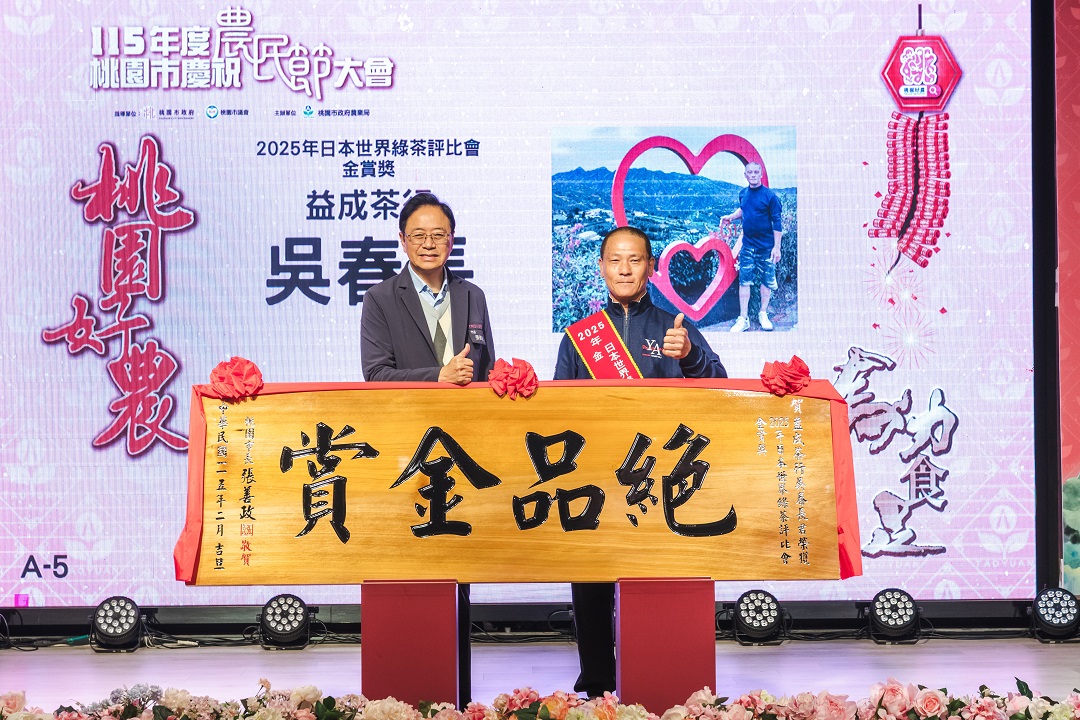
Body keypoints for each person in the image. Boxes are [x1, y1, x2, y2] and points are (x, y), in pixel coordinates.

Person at [553, 226, 726, 698]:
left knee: (656, 582)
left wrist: (689, 357)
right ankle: (597, 683)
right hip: (594, 479)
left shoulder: (675, 328)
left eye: (635, 260)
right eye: (615, 260)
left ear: (651, 267)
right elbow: (558, 411)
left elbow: (720, 384)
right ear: (601, 268)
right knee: (590, 584)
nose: (625, 269)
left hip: (659, 480)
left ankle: (657, 677)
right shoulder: (578, 337)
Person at [360, 192, 495, 707]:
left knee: (458, 571)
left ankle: (456, 694)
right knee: (414, 571)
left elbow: (485, 368)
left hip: (462, 454)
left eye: (439, 234)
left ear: (452, 239)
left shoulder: (471, 295)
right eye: (419, 235)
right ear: (402, 240)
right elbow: (375, 376)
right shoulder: (380, 298)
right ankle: (410, 689)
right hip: (406, 453)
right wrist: (437, 376)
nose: (429, 243)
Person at [721, 161, 783, 332]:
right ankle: (743, 318)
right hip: (747, 247)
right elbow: (743, 209)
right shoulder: (743, 194)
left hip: (766, 248)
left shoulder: (770, 197)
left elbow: (777, 223)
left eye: (756, 172)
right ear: (745, 175)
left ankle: (763, 314)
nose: (753, 175)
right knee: (744, 281)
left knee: (766, 281)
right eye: (750, 172)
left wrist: (777, 247)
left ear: (761, 174)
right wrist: (731, 217)